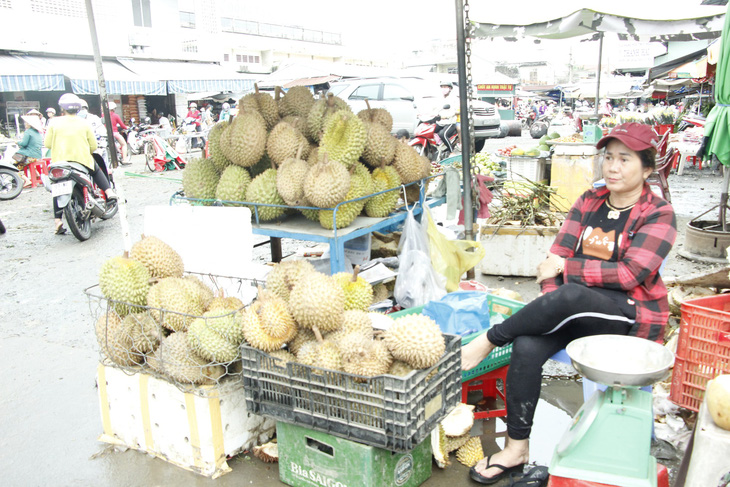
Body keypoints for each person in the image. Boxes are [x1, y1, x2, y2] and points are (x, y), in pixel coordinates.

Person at [461, 122, 677, 485]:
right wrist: (551, 298)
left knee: (571, 294)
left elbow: (629, 275)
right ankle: (516, 449)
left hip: (630, 315)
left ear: (648, 168)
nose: (613, 167)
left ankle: (489, 339)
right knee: (528, 346)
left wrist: (567, 272)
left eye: (625, 159)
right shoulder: (589, 201)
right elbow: (554, 258)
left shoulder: (658, 213)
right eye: (608, 157)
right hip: (574, 308)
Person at [44, 93, 117, 235]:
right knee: (95, 169)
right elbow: (93, 145)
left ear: (62, 109)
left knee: (57, 187)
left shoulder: (54, 122)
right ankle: (109, 192)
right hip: (81, 160)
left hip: (59, 163)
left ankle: (57, 221)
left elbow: (47, 144)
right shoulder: (84, 122)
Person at [14, 115, 44, 187]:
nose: (25, 124)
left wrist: (17, 142)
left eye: (25, 123)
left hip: (30, 156)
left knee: (15, 166)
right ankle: (37, 175)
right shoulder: (38, 132)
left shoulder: (28, 132)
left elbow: (23, 144)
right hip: (37, 155)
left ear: (29, 124)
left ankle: (26, 180)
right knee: (26, 164)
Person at [436, 81, 459, 154]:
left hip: (450, 122)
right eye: (442, 87)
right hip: (440, 122)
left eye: (445, 87)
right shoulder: (439, 98)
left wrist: (446, 116)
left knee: (442, 134)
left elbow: (456, 110)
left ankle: (451, 151)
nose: (444, 89)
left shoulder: (454, 99)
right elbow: (434, 108)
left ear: (450, 88)